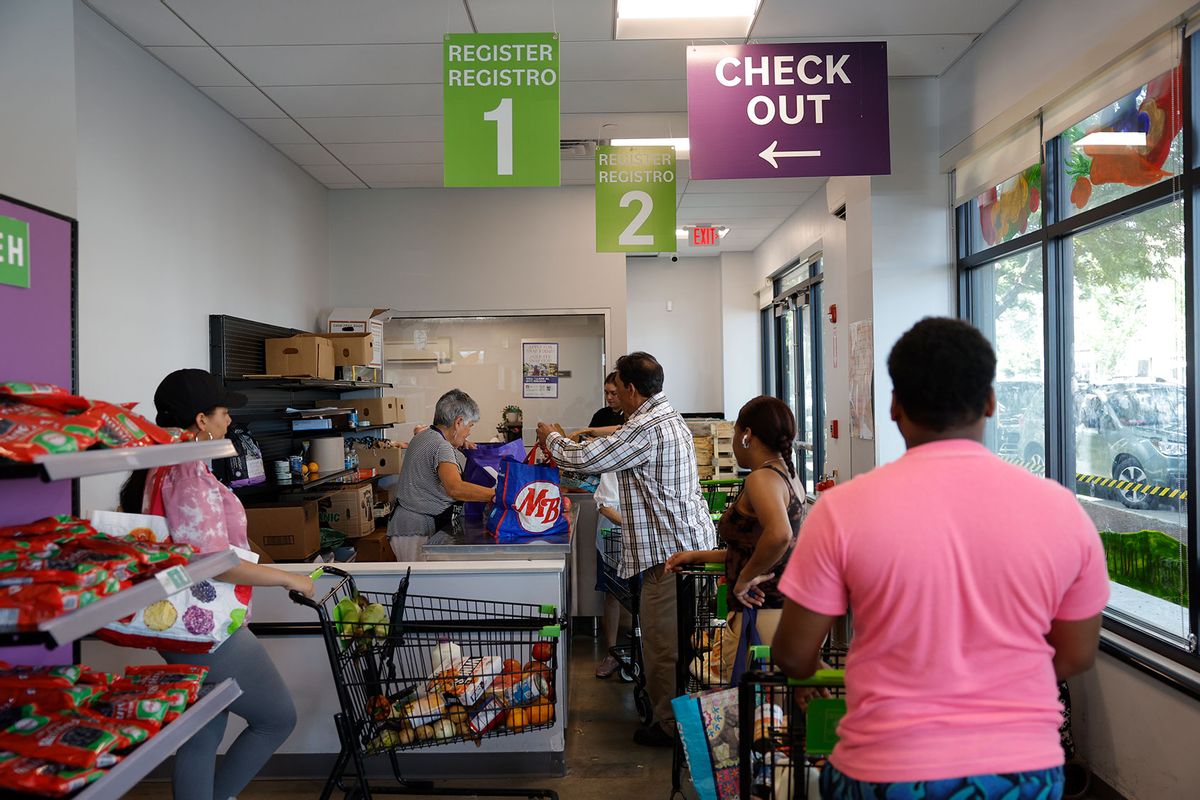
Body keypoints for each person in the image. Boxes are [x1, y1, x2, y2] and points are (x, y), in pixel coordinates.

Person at [772, 318, 1108, 799]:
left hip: (885, 767)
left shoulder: (842, 511)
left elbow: (792, 653)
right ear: (990, 402)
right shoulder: (1061, 510)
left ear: (893, 407)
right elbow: (1076, 652)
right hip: (1021, 768)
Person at [118, 369, 315, 800]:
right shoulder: (188, 473)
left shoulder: (162, 461)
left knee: (205, 727)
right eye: (224, 412)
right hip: (205, 628)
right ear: (201, 420)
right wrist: (288, 578)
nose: (230, 421)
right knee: (276, 718)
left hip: (178, 622)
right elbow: (213, 564)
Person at [537, 352, 717, 747]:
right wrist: (586, 431)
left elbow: (583, 459)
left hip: (669, 558)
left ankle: (669, 727)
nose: (614, 395)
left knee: (661, 645)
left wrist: (551, 436)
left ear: (632, 389)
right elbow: (614, 437)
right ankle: (678, 718)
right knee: (677, 642)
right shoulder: (666, 418)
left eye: (617, 388)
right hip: (686, 548)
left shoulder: (648, 428)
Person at [666, 396, 805, 680]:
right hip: (781, 611)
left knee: (753, 712)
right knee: (767, 713)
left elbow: (780, 535)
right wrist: (698, 556)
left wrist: (744, 580)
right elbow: (757, 546)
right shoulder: (787, 475)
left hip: (762, 611)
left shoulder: (761, 479)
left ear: (747, 435)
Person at [387, 389, 493, 561]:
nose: (469, 432)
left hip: (406, 527)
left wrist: (459, 443)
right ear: (458, 422)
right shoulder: (440, 446)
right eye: (470, 426)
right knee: (419, 583)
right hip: (414, 529)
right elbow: (455, 488)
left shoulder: (425, 436)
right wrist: (496, 495)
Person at [592, 471, 628, 679]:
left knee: (649, 594)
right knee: (613, 594)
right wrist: (634, 527)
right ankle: (612, 653)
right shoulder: (614, 465)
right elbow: (606, 506)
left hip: (646, 541)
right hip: (613, 540)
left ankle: (648, 650)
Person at [571, 371, 624, 440]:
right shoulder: (600, 414)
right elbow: (587, 435)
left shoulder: (629, 415)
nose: (609, 397)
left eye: (613, 393)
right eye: (606, 393)